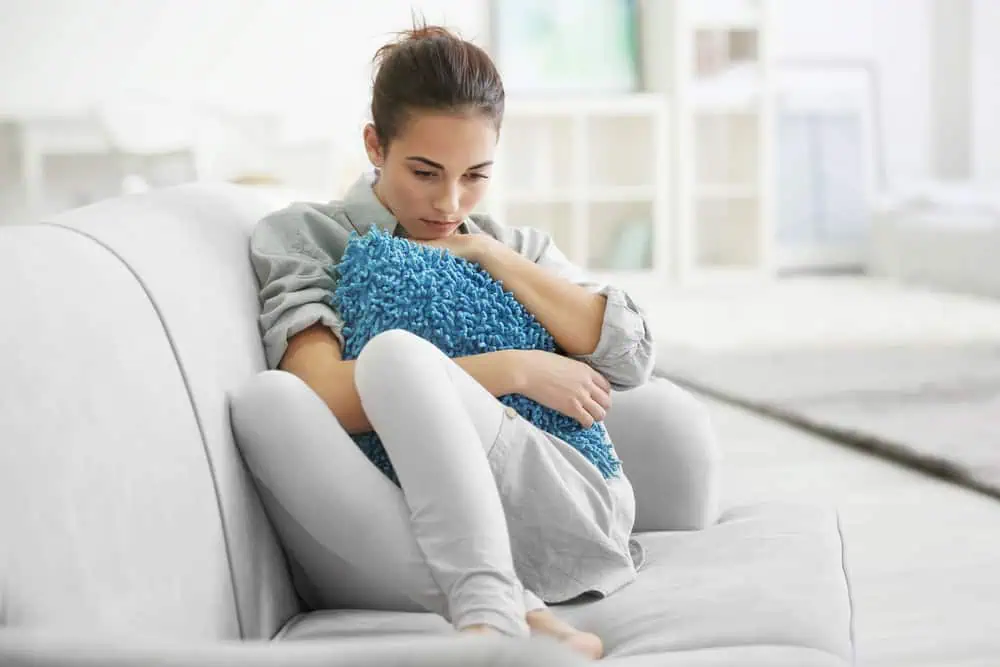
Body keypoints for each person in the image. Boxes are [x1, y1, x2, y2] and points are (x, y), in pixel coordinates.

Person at [242, 24, 663, 661]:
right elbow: (321, 394)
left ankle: (494, 609)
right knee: (266, 404)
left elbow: (631, 359)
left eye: (476, 175)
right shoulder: (308, 237)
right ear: (374, 145)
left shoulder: (513, 245)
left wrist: (489, 253)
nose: (449, 202)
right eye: (425, 172)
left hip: (550, 498)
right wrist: (517, 369)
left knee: (391, 354)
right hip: (407, 514)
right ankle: (512, 612)